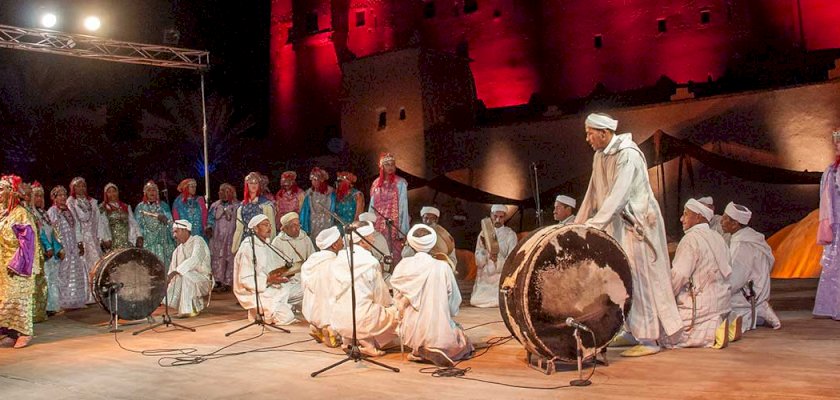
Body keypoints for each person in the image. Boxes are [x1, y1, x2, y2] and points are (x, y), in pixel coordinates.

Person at [574, 113, 681, 357]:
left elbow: (619, 196)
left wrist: (596, 224)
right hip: (618, 227)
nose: (587, 138)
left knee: (641, 281)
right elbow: (592, 194)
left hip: (638, 228)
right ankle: (633, 330)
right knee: (625, 279)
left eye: (590, 132)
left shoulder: (628, 155)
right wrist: (578, 226)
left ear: (604, 133)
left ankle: (650, 338)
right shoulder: (599, 156)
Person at [391, 224, 473, 367]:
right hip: (439, 331)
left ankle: (417, 350)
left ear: (411, 243)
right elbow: (454, 300)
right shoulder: (443, 267)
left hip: (411, 330)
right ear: (433, 242)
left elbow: (398, 299)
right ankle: (433, 347)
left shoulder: (403, 265)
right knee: (465, 345)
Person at [663, 199, 732, 348]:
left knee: (662, 335)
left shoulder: (690, 239)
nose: (682, 218)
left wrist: (663, 297)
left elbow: (678, 276)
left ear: (699, 217)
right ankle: (718, 327)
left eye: (686, 214)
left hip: (700, 307)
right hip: (721, 304)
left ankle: (710, 335)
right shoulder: (718, 238)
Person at [329, 221, 397, 356]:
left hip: (338, 319)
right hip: (361, 320)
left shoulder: (338, 259)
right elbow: (381, 297)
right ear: (363, 241)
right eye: (371, 236)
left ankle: (348, 340)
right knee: (395, 312)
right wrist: (392, 305)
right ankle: (368, 344)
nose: (373, 239)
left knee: (360, 307)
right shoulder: (370, 262)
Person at [721, 202, 782, 331]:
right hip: (754, 294)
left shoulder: (743, 245)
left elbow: (735, 281)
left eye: (725, 218)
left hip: (748, 298)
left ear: (735, 224)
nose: (721, 221)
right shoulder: (751, 237)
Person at [233, 214, 298, 325]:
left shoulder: (266, 245)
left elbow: (273, 269)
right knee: (287, 317)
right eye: (265, 225)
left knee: (304, 290)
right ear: (255, 229)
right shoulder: (248, 248)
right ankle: (259, 312)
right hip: (256, 291)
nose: (269, 228)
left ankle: (277, 307)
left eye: (270, 225)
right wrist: (268, 280)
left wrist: (286, 273)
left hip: (273, 287)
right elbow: (245, 280)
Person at [0, 175, 37, 348]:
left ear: (11, 192)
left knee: (18, 299)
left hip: (16, 264)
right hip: (1, 264)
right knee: (4, 299)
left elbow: (28, 242)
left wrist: (18, 263)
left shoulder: (21, 214)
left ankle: (24, 332)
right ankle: (10, 332)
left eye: (1, 189)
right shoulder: (2, 213)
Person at [46, 186, 88, 310]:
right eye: (59, 195)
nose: (63, 197)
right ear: (54, 198)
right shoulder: (52, 211)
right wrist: (59, 248)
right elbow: (53, 231)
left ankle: (75, 301)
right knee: (63, 273)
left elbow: (75, 228)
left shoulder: (68, 210)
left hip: (72, 245)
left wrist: (79, 243)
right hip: (63, 246)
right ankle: (64, 301)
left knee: (74, 271)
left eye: (64, 195)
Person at [301, 226, 342, 347]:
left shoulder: (311, 261)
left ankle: (316, 327)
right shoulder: (335, 262)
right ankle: (331, 331)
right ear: (334, 245)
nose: (343, 242)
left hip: (311, 310)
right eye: (340, 240)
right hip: (328, 313)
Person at [815, 128, 840, 320]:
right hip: (837, 223)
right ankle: (834, 307)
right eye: (836, 143)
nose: (838, 146)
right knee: (834, 267)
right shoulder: (832, 170)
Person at [471, 205, 517, 308]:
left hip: (499, 276)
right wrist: (485, 254)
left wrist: (497, 260)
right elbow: (478, 253)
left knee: (499, 301)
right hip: (485, 277)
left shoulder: (510, 234)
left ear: (505, 218)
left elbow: (512, 259)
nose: (498, 219)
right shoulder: (483, 234)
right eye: (495, 216)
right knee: (475, 301)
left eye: (501, 217)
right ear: (491, 215)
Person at [369, 153, 410, 266]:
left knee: (395, 254)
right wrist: (369, 226)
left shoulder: (400, 183)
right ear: (381, 167)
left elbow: (403, 206)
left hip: (394, 225)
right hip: (378, 226)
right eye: (387, 164)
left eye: (392, 164)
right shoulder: (376, 184)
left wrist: (402, 229)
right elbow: (371, 207)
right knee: (379, 253)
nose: (390, 166)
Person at [165, 220, 213, 318]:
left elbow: (195, 259)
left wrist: (175, 272)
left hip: (204, 279)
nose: (174, 235)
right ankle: (193, 306)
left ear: (185, 230)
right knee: (175, 279)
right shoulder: (177, 250)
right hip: (190, 279)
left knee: (185, 275)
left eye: (176, 231)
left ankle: (188, 309)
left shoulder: (198, 241)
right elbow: (171, 270)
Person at [67, 177, 101, 299]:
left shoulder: (92, 202)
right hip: (80, 238)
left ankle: (97, 294)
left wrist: (100, 237)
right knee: (83, 265)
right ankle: (85, 296)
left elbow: (98, 221)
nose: (81, 188)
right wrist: (79, 240)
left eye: (83, 186)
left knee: (96, 263)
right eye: (78, 186)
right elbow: (74, 222)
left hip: (92, 238)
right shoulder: (70, 202)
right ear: (73, 188)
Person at [31, 183, 62, 316]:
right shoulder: (32, 213)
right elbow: (41, 233)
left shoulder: (43, 213)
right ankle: (44, 307)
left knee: (52, 278)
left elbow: (52, 233)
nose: (39, 199)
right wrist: (47, 247)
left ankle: (52, 306)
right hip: (41, 250)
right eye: (36, 196)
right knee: (45, 279)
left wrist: (58, 248)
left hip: (50, 251)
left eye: (41, 196)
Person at [271, 212, 312, 305]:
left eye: (298, 225)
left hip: (304, 279)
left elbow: (312, 260)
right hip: (287, 282)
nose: (297, 228)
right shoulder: (277, 242)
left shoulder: (305, 239)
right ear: (285, 228)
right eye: (294, 225)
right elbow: (275, 266)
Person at [19, 182, 47, 323]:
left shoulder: (32, 212)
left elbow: (40, 232)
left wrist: (46, 247)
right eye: (27, 194)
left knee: (38, 281)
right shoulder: (20, 211)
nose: (29, 197)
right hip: (25, 252)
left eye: (30, 194)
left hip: (36, 250)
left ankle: (37, 313)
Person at [232, 172, 277, 253]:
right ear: (247, 185)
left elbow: (271, 227)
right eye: (251, 183)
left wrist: (271, 244)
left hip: (261, 241)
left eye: (256, 183)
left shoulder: (266, 205)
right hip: (246, 242)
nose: (253, 185)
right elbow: (239, 229)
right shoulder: (242, 206)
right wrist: (235, 247)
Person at [401, 206, 457, 271]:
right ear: (422, 218)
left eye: (432, 218)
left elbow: (452, 259)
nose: (428, 221)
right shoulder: (415, 233)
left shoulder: (444, 235)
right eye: (426, 218)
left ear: (437, 220)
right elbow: (405, 255)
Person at [206, 183, 239, 292]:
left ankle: (228, 281)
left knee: (230, 257)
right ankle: (218, 281)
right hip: (218, 236)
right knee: (218, 257)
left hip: (231, 236)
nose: (222, 193)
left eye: (225, 191)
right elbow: (210, 218)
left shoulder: (237, 206)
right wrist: (209, 227)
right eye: (221, 191)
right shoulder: (215, 206)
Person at [135, 181, 176, 268]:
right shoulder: (140, 207)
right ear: (145, 193)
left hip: (162, 242)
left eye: (154, 190)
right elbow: (137, 226)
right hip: (147, 243)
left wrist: (166, 220)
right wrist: (139, 238)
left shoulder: (163, 206)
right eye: (149, 190)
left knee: (163, 266)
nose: (152, 192)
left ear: (157, 192)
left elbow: (170, 222)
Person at [98, 183, 141, 252]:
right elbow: (101, 225)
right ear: (106, 194)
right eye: (109, 192)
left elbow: (133, 222)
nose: (112, 194)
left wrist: (139, 236)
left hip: (127, 241)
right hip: (111, 243)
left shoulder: (126, 206)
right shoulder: (102, 208)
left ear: (117, 192)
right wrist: (105, 239)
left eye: (114, 191)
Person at [300, 167, 335, 240]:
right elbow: (305, 212)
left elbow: (333, 208)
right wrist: (305, 227)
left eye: (316, 180)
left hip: (327, 223)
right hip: (313, 224)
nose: (313, 182)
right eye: (312, 180)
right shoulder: (309, 194)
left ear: (322, 181)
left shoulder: (330, 194)